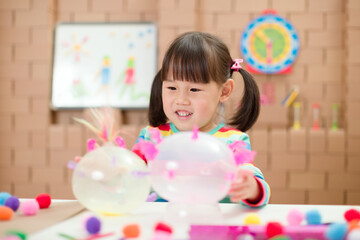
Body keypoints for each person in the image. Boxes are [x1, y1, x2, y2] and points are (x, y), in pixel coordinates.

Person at [132, 31, 270, 208]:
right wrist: (106, 163)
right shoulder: (149, 139)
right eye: (172, 87)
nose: (181, 100)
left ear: (224, 91)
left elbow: (254, 182)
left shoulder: (233, 142)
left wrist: (251, 188)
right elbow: (126, 176)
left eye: (194, 90)